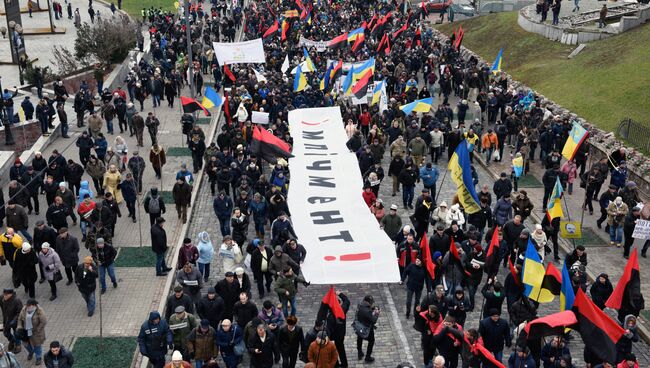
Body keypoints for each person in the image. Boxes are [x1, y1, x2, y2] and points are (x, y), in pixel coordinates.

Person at [18, 299, 47, 365]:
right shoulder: (24, 309)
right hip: (26, 330)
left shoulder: (39, 311)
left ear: (34, 305)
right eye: (27, 305)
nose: (27, 307)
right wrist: (19, 327)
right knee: (25, 344)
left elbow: (43, 322)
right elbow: (19, 319)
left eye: (29, 306)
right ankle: (31, 351)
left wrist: (37, 330)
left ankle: (38, 357)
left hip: (36, 332)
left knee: (37, 345)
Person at [356, 295, 379, 363]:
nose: (372, 304)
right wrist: (376, 314)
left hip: (359, 326)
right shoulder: (367, 311)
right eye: (371, 302)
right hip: (367, 328)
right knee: (371, 340)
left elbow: (366, 310)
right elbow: (373, 320)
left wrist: (372, 309)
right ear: (368, 302)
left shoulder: (360, 305)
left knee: (359, 338)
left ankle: (359, 352)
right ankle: (368, 357)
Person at [0, 289, 22, 354]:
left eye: (6, 295)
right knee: (6, 333)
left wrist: (14, 321)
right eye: (4, 294)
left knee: (17, 334)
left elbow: (19, 313)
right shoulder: (2, 298)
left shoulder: (17, 301)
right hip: (6, 320)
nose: (4, 296)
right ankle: (12, 340)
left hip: (15, 321)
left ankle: (18, 345)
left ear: (11, 294)